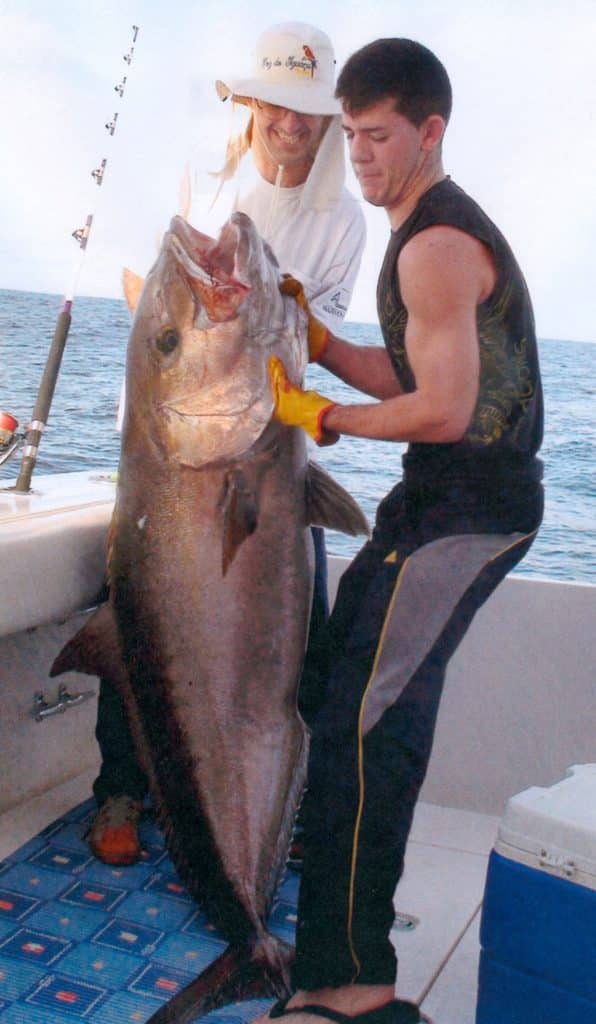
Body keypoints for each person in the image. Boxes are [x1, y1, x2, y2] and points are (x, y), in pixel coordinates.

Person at [258, 37, 544, 1024]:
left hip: (467, 510)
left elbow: (444, 410)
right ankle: (336, 952)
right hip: (436, 504)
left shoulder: (431, 243)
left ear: (428, 131)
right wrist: (325, 344)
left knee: (363, 728)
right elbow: (412, 372)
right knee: (337, 688)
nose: (362, 156)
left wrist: (320, 416)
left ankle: (355, 987)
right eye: (351, 136)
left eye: (377, 136)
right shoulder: (417, 231)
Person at [87, 21, 366, 866]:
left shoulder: (342, 220)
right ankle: (120, 794)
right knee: (137, 614)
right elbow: (151, 294)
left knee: (300, 651)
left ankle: (284, 820)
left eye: (309, 112)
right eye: (277, 104)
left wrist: (267, 310)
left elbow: (315, 342)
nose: (290, 124)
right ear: (252, 101)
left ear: (328, 124)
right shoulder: (205, 177)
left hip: (267, 454)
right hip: (171, 450)